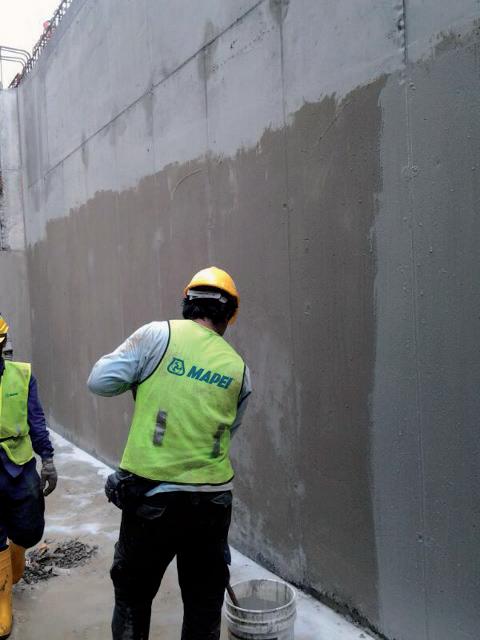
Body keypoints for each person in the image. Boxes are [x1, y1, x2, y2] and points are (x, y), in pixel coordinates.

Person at [87, 267, 251, 640]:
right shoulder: (240, 369)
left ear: (187, 304)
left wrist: (140, 376)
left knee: (133, 597)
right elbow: (229, 431)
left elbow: (99, 382)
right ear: (229, 317)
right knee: (204, 604)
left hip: (151, 500)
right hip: (212, 503)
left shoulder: (157, 335)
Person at [0, 314, 57, 639]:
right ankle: (2, 600)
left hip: (18, 465)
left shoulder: (22, 376)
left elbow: (36, 419)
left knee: (29, 528)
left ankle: (15, 556)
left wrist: (47, 459)